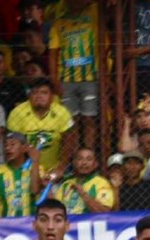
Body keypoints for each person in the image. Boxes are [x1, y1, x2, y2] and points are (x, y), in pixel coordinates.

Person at [48, 0, 99, 150]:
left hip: (90, 78)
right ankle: (75, 156)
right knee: (71, 121)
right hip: (66, 80)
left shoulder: (94, 12)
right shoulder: (59, 23)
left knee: (89, 119)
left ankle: (88, 154)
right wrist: (54, 79)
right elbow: (53, 53)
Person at [6, 77, 75, 181]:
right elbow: (13, 145)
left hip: (55, 167)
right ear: (29, 96)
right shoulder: (17, 113)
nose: (39, 96)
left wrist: (61, 168)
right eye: (34, 93)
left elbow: (69, 142)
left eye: (44, 93)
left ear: (52, 96)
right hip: (26, 167)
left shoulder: (62, 112)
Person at [53, 147, 115, 214]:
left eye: (89, 159)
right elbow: (55, 210)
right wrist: (46, 188)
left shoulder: (102, 183)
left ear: (95, 164)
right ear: (74, 162)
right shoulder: (66, 184)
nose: (84, 162)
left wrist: (82, 193)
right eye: (80, 159)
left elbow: (104, 212)